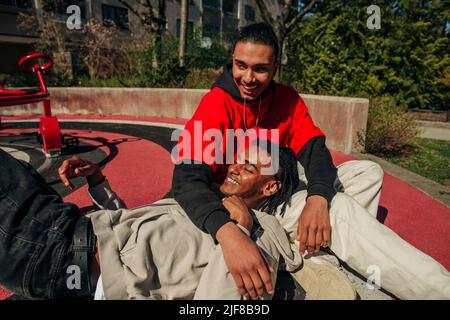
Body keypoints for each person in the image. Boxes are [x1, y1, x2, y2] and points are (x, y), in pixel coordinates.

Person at [172, 22, 450, 299]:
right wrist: (226, 230)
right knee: (339, 208)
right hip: (248, 201)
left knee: (367, 172)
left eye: (260, 69)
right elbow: (185, 179)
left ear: (275, 69)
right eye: (240, 65)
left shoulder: (286, 99)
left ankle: (315, 248)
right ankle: (440, 290)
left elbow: (314, 150)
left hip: (276, 185)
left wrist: (317, 197)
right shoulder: (216, 103)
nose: (248, 77)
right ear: (232, 62)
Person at [0, 143, 303, 300]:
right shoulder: (209, 201)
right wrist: (98, 183)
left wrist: (240, 229)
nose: (235, 168)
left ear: (270, 187)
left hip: (60, 253)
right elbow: (140, 236)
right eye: (238, 159)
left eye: (249, 167)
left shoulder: (260, 229)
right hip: (65, 236)